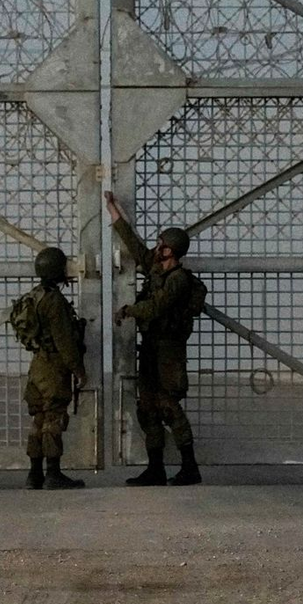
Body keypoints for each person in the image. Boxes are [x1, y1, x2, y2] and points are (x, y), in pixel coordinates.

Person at [105, 191, 204, 487]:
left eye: (161, 244)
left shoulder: (178, 280)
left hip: (169, 352)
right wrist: (113, 209)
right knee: (147, 407)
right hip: (150, 348)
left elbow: (157, 306)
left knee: (168, 406)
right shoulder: (156, 268)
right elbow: (133, 244)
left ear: (170, 251)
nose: (156, 246)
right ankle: (156, 469)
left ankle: (190, 467)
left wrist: (129, 310)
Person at [11, 246, 88, 490]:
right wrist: (78, 370)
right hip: (54, 366)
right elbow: (64, 341)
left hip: (37, 366)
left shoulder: (34, 296)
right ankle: (53, 474)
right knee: (53, 419)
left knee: (39, 420)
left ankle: (34, 475)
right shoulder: (54, 300)